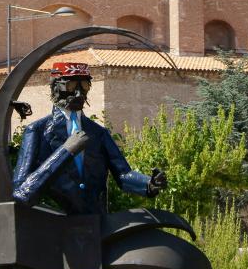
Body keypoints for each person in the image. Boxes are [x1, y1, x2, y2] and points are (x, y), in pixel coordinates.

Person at [12, 62, 167, 214]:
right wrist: (65, 151)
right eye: (71, 86)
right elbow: (22, 191)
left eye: (84, 86)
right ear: (55, 87)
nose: (79, 93)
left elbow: (122, 174)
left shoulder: (98, 133)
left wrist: (149, 184)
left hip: (96, 224)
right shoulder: (37, 131)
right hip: (56, 226)